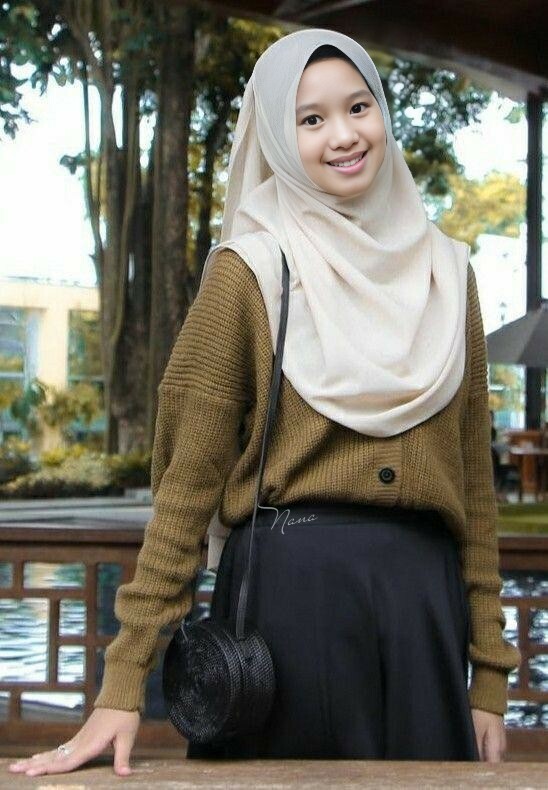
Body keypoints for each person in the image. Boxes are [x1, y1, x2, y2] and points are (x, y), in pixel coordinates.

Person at [8, 28, 521, 777]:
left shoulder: (448, 273)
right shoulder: (250, 271)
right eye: (311, 119)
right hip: (288, 610)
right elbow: (185, 493)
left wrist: (490, 676)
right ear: (279, 138)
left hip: (423, 612)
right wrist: (123, 685)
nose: (343, 135)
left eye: (359, 107)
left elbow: (475, 489)